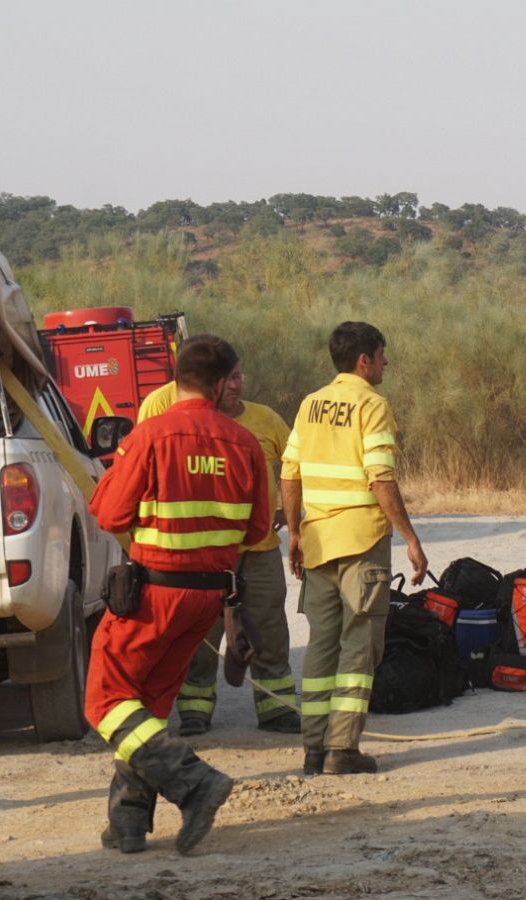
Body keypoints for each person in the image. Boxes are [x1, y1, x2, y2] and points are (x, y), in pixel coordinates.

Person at [85, 335, 271, 854]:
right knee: (145, 706)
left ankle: (196, 784)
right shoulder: (245, 443)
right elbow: (258, 531)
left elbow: (110, 515)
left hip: (153, 595)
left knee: (105, 702)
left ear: (176, 379)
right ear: (218, 384)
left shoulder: (150, 435)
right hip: (207, 601)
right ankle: (126, 823)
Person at [281, 321, 427, 777]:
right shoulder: (372, 405)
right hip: (362, 540)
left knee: (321, 645)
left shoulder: (310, 404)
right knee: (360, 646)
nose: (386, 363)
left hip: (319, 541)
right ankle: (343, 750)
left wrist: (296, 533)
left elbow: (289, 474)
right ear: (364, 360)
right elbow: (380, 477)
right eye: (383, 356)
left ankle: (313, 748)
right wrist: (410, 537)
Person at [140, 366, 301, 736]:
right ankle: (195, 711)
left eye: (238, 376)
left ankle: (277, 710)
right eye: (225, 377)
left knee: (269, 629)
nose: (234, 384)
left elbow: (295, 466)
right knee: (201, 633)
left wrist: (286, 512)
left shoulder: (266, 419)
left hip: (259, 551)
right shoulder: (190, 422)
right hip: (207, 551)